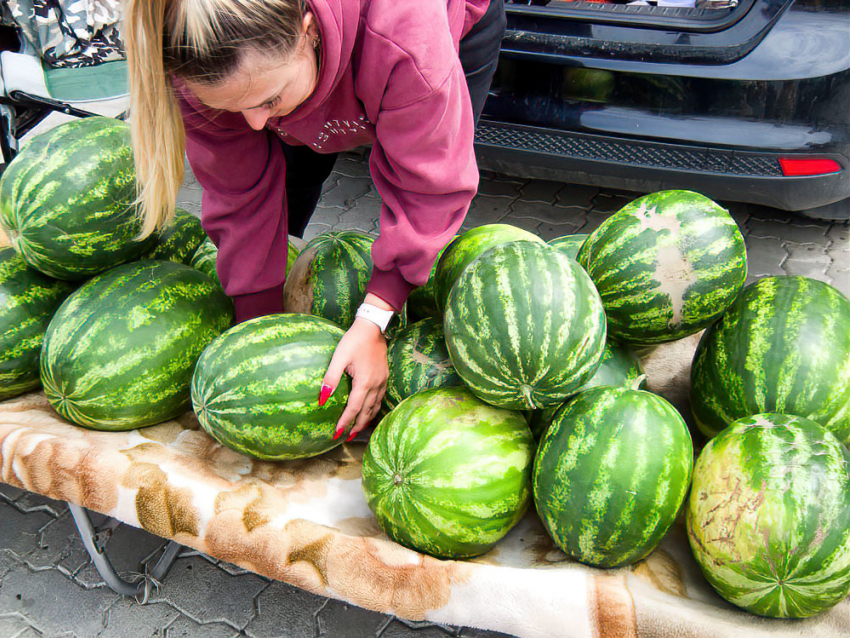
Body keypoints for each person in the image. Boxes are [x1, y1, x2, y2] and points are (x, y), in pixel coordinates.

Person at [124, 0, 506, 442]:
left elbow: (428, 188)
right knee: (292, 183)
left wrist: (374, 319)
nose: (256, 124)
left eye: (269, 100)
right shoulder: (200, 60)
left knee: (421, 199)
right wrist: (258, 333)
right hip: (309, 61)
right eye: (232, 108)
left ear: (309, 32)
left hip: (428, 36)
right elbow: (241, 196)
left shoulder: (407, 38)